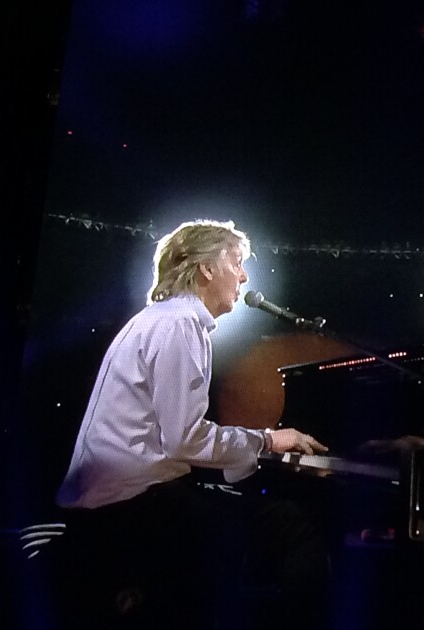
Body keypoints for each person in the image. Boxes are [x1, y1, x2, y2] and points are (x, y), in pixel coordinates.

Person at [54, 219, 330, 629]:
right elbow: (184, 440)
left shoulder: (161, 318)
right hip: (127, 502)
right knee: (287, 525)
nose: (244, 276)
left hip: (117, 493)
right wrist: (269, 440)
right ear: (206, 268)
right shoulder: (181, 324)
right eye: (236, 262)